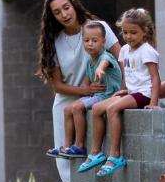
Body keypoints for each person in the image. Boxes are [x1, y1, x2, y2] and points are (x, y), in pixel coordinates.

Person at [36, 0, 120, 182]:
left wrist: (125, 91)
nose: (64, 14)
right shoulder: (54, 41)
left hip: (101, 99)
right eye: (57, 12)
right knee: (67, 166)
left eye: (66, 7)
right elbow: (57, 85)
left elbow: (122, 59)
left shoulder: (98, 28)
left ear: (73, 5)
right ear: (52, 17)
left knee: (97, 158)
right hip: (67, 103)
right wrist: (84, 91)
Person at [81, 8, 160, 177]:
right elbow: (127, 74)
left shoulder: (147, 51)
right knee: (97, 109)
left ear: (144, 31)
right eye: (125, 32)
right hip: (131, 93)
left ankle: (115, 155)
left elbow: (155, 78)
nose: (128, 36)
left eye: (133, 32)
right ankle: (96, 152)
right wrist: (123, 90)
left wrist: (153, 102)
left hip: (144, 94)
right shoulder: (124, 50)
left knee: (112, 109)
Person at [52, 22, 122, 161]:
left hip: (108, 96)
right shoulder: (90, 60)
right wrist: (84, 91)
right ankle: (66, 146)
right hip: (97, 95)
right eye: (86, 40)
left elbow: (104, 64)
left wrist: (100, 69)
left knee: (77, 107)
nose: (90, 44)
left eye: (94, 40)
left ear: (103, 41)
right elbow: (86, 81)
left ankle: (79, 145)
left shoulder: (105, 57)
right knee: (68, 109)